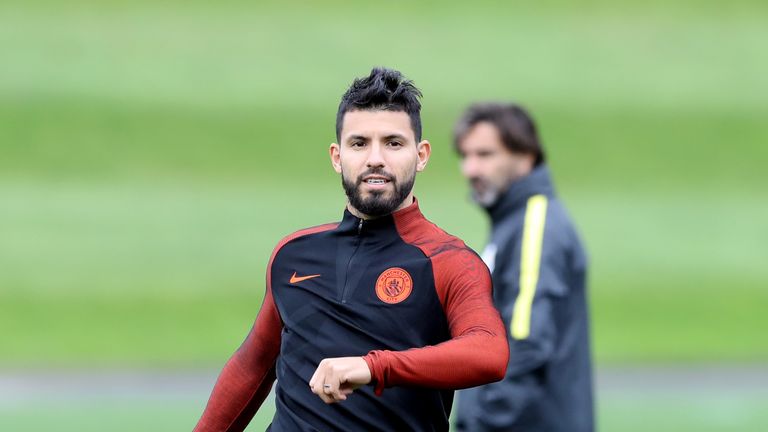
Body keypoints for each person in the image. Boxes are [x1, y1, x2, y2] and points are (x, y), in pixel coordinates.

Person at [194, 68, 509, 432]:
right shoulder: (293, 254)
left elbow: (489, 353)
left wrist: (373, 367)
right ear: (337, 156)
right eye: (359, 143)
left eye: (393, 143)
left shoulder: (448, 261)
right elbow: (253, 367)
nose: (375, 158)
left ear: (421, 155)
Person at [453, 102, 594, 432]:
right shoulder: (517, 222)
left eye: (485, 155)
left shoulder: (535, 225)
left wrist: (480, 425)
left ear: (526, 156)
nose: (470, 169)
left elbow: (527, 344)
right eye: (466, 155)